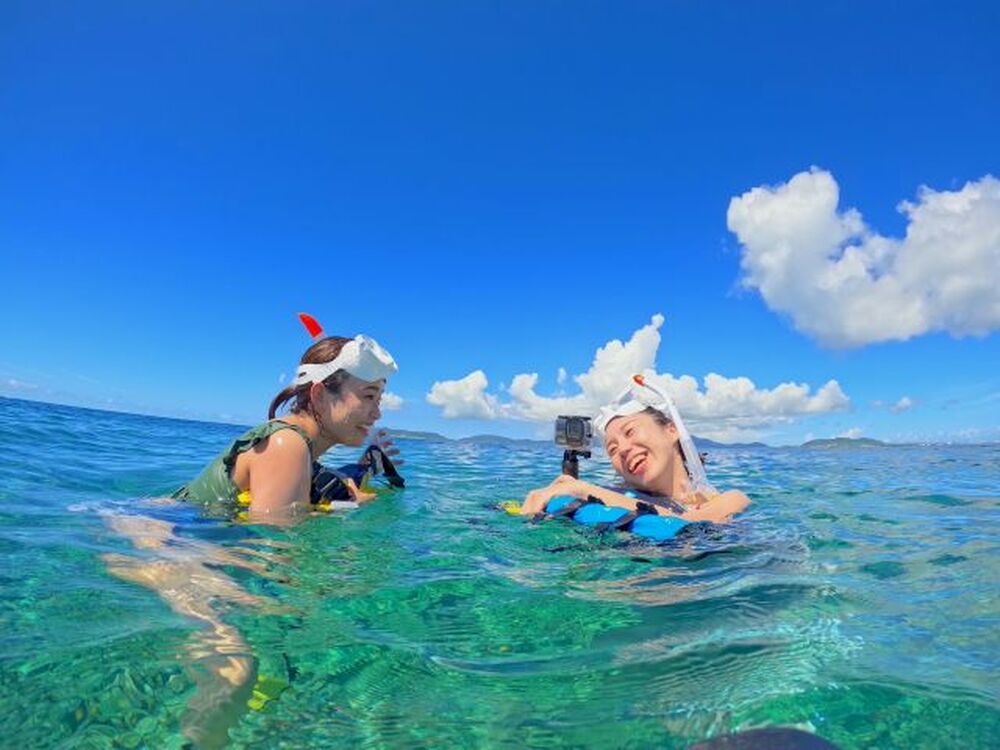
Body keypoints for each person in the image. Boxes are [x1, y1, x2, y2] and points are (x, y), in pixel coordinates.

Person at [175, 313, 400, 523]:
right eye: (368, 396)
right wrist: (353, 506)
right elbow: (273, 546)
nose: (377, 413)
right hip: (168, 534)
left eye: (378, 400)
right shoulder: (286, 445)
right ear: (319, 395)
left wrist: (365, 468)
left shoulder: (297, 447)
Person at [521, 375, 749, 523]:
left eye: (630, 432)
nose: (622, 450)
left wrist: (581, 489)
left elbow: (690, 524)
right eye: (612, 449)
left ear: (671, 430)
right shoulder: (616, 496)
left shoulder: (731, 500)